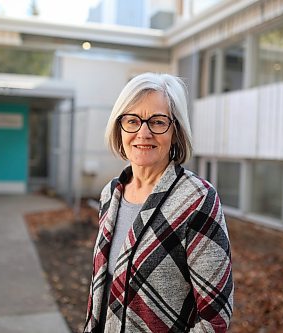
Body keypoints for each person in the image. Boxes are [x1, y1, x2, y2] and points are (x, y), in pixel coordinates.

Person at [83, 73, 233, 333]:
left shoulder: (197, 200)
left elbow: (215, 319)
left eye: (157, 121)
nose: (144, 133)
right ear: (120, 128)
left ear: (175, 131)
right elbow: (102, 290)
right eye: (132, 120)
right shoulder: (111, 193)